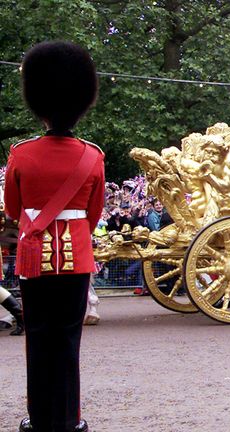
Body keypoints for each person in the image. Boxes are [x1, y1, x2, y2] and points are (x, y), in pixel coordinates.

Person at [4, 41, 104, 432]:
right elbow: (93, 215)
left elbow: (14, 209)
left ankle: (41, 420)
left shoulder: (22, 154)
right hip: (76, 258)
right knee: (68, 343)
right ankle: (69, 419)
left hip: (34, 261)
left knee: (39, 341)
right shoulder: (91, 156)